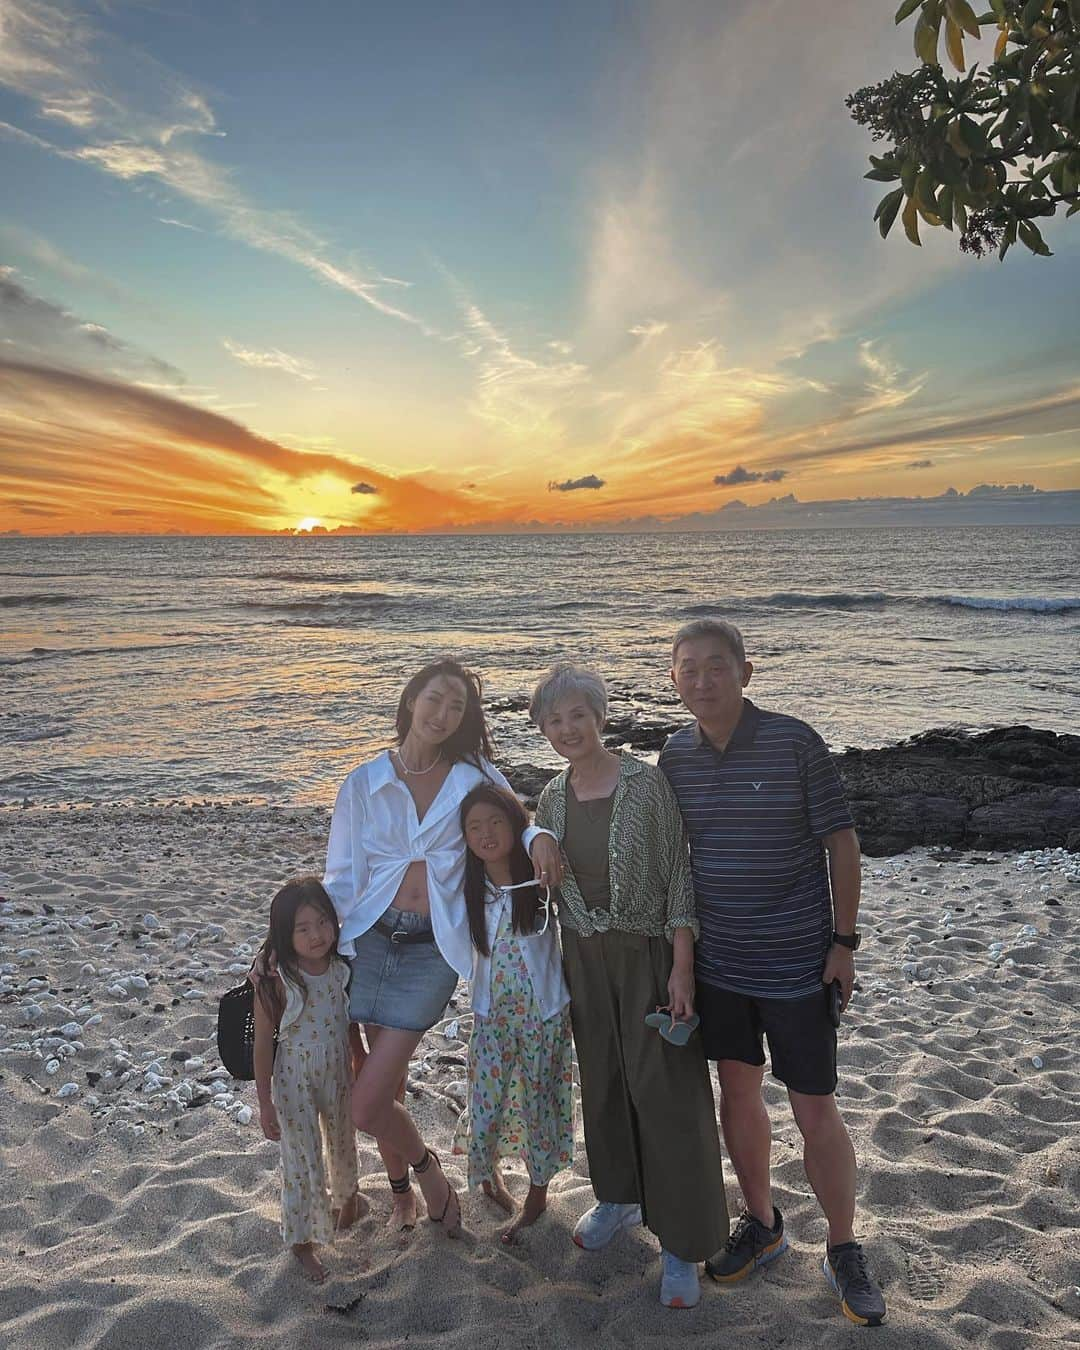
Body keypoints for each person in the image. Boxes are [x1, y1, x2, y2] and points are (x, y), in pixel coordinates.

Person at [659, 618, 887, 1328]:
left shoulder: (794, 742)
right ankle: (763, 1223)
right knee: (737, 1090)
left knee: (815, 1108)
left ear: (745, 672)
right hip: (723, 966)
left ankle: (843, 1247)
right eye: (688, 668)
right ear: (673, 679)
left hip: (796, 964)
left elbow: (842, 844)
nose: (702, 680)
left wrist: (843, 943)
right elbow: (672, 863)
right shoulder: (674, 755)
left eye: (716, 666)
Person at [323, 658, 562, 1239]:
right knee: (388, 1088)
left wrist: (543, 837)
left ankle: (430, 1177)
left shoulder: (472, 773)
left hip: (432, 950)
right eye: (435, 699)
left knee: (367, 1100)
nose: (443, 713)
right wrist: (309, 946)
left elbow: (516, 820)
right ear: (410, 702)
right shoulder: (365, 781)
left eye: (456, 706)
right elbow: (341, 873)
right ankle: (403, 1192)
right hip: (367, 943)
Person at [531, 662, 729, 1310]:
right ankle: (617, 1197)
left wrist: (681, 967)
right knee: (605, 1082)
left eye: (578, 715)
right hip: (582, 959)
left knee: (667, 1094)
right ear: (543, 730)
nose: (568, 729)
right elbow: (531, 865)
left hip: (646, 954)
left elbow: (679, 876)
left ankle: (682, 1242)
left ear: (600, 716)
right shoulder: (551, 798)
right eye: (554, 721)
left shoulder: (646, 785)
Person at [451, 783, 574, 1244]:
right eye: (474, 827)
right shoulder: (468, 884)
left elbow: (539, 835)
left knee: (539, 1104)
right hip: (490, 1015)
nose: (486, 834)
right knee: (486, 1100)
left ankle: (538, 1195)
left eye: (496, 822)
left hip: (543, 1014)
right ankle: (489, 1176)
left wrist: (532, 834)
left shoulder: (538, 877)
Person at [253, 876, 366, 1284]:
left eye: (323, 923)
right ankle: (302, 1243)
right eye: (303, 929)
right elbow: (264, 1043)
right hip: (294, 1076)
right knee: (302, 1157)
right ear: (286, 934)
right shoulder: (278, 979)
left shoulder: (340, 969)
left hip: (336, 1069)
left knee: (342, 1138)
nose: (317, 935)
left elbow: (347, 1020)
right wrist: (264, 1100)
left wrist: (360, 1055)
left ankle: (347, 1199)